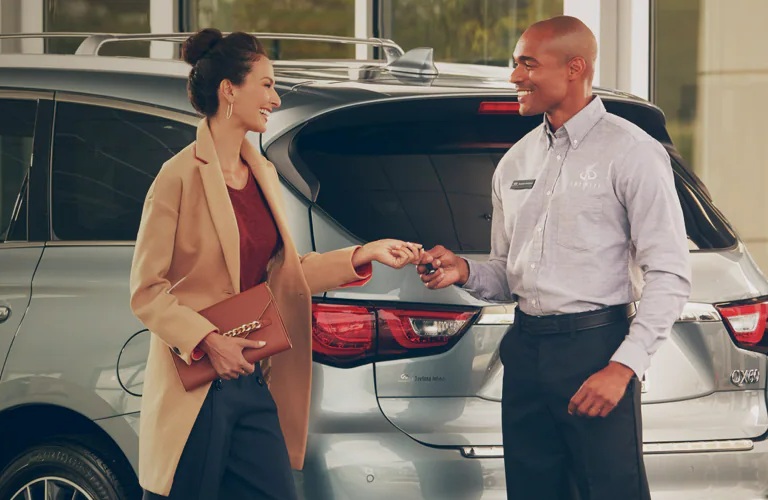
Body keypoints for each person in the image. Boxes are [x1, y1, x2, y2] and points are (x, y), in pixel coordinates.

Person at [130, 28, 423, 499]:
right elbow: (146, 290)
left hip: (250, 373)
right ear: (229, 89)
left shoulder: (261, 172)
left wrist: (362, 254)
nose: (275, 96)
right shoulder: (178, 177)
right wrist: (208, 342)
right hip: (199, 379)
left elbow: (284, 274)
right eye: (265, 84)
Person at [416, 16, 691, 500]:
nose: (514, 76)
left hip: (596, 350)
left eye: (527, 63)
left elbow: (669, 273)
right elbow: (507, 273)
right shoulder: (515, 161)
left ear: (574, 68)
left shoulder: (632, 153)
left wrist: (623, 367)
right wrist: (464, 270)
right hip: (526, 351)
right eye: (514, 63)